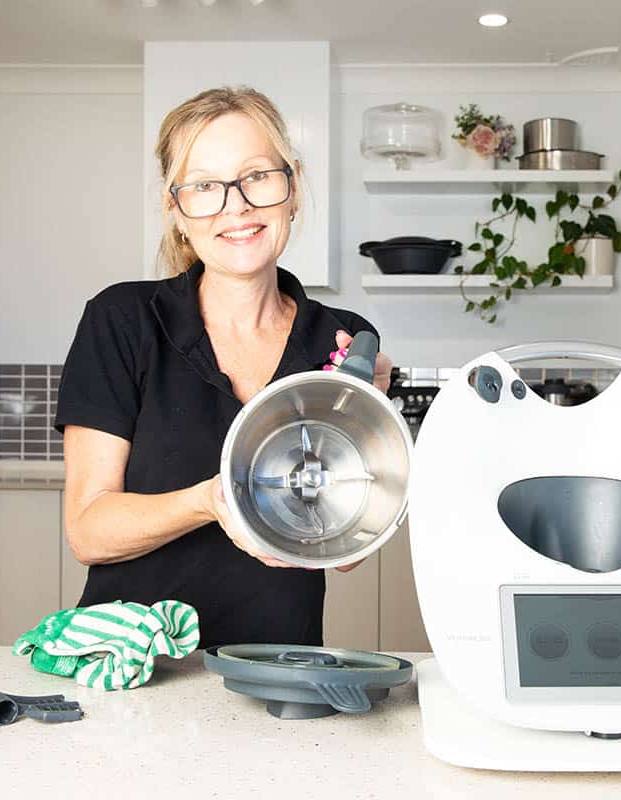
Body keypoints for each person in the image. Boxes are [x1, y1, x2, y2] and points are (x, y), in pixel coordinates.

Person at [54, 86, 392, 648]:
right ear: (177, 211)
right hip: (134, 669)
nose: (236, 206)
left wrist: (365, 425)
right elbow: (89, 533)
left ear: (292, 188)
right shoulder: (122, 319)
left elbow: (349, 555)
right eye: (205, 186)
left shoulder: (338, 341)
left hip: (277, 670)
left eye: (257, 176)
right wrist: (215, 498)